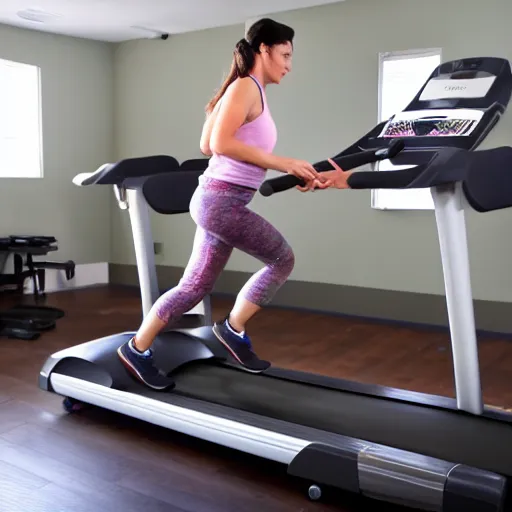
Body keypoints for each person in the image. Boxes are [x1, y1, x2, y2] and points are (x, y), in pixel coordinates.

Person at [117, 17, 327, 390]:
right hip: (221, 201)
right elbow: (219, 145)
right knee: (282, 259)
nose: (289, 65)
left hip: (219, 199)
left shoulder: (243, 89)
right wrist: (283, 162)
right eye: (285, 54)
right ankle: (233, 328)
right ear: (264, 49)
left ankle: (138, 348)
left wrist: (292, 171)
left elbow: (207, 143)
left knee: (193, 287)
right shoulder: (245, 87)